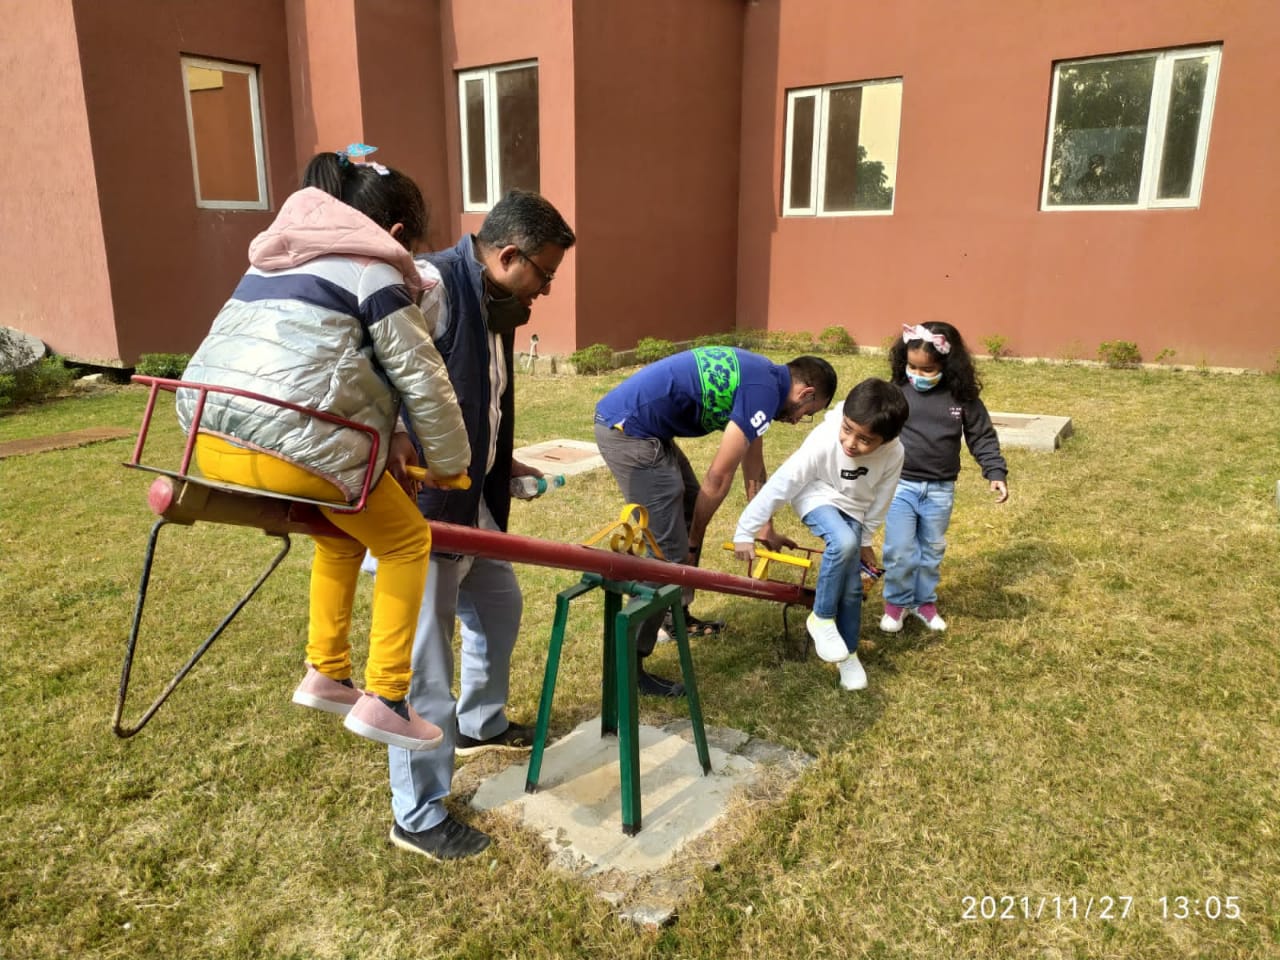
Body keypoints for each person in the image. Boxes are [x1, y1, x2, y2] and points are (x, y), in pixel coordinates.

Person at [175, 151, 471, 751]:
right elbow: (422, 379)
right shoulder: (374, 272)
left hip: (207, 438)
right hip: (293, 446)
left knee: (342, 531)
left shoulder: (269, 263)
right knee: (407, 539)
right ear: (393, 236)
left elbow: (337, 372)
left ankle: (326, 670)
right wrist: (449, 464)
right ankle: (387, 697)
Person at [372, 189, 576, 861]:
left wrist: (502, 458)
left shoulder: (497, 304)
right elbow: (368, 362)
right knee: (424, 668)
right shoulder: (429, 284)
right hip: (422, 512)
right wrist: (398, 438)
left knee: (498, 603)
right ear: (510, 254)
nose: (545, 290)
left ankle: (480, 721)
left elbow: (476, 398)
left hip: (472, 501)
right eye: (543, 274)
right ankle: (418, 814)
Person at [594, 347, 839, 697]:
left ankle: (673, 615)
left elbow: (753, 465)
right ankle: (624, 668)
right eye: (808, 412)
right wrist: (693, 543)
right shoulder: (764, 391)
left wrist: (764, 525)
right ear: (806, 393)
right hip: (628, 431)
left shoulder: (766, 381)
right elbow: (718, 479)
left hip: (646, 428)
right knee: (666, 558)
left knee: (689, 506)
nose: (800, 419)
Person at [732, 378, 908, 691]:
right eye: (848, 428)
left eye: (865, 439)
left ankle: (848, 655)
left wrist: (866, 540)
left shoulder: (895, 454)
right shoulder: (825, 439)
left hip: (855, 506)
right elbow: (784, 482)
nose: (851, 443)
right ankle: (821, 617)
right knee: (842, 541)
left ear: (887, 440)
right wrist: (746, 529)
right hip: (815, 494)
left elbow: (882, 498)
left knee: (853, 589)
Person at [880, 322, 1009, 634]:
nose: (919, 376)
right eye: (912, 367)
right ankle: (896, 604)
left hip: (940, 489)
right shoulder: (897, 391)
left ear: (947, 366)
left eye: (928, 370)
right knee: (899, 550)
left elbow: (981, 436)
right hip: (901, 486)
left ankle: (923, 602)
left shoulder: (962, 398)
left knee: (931, 549)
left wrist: (995, 471)